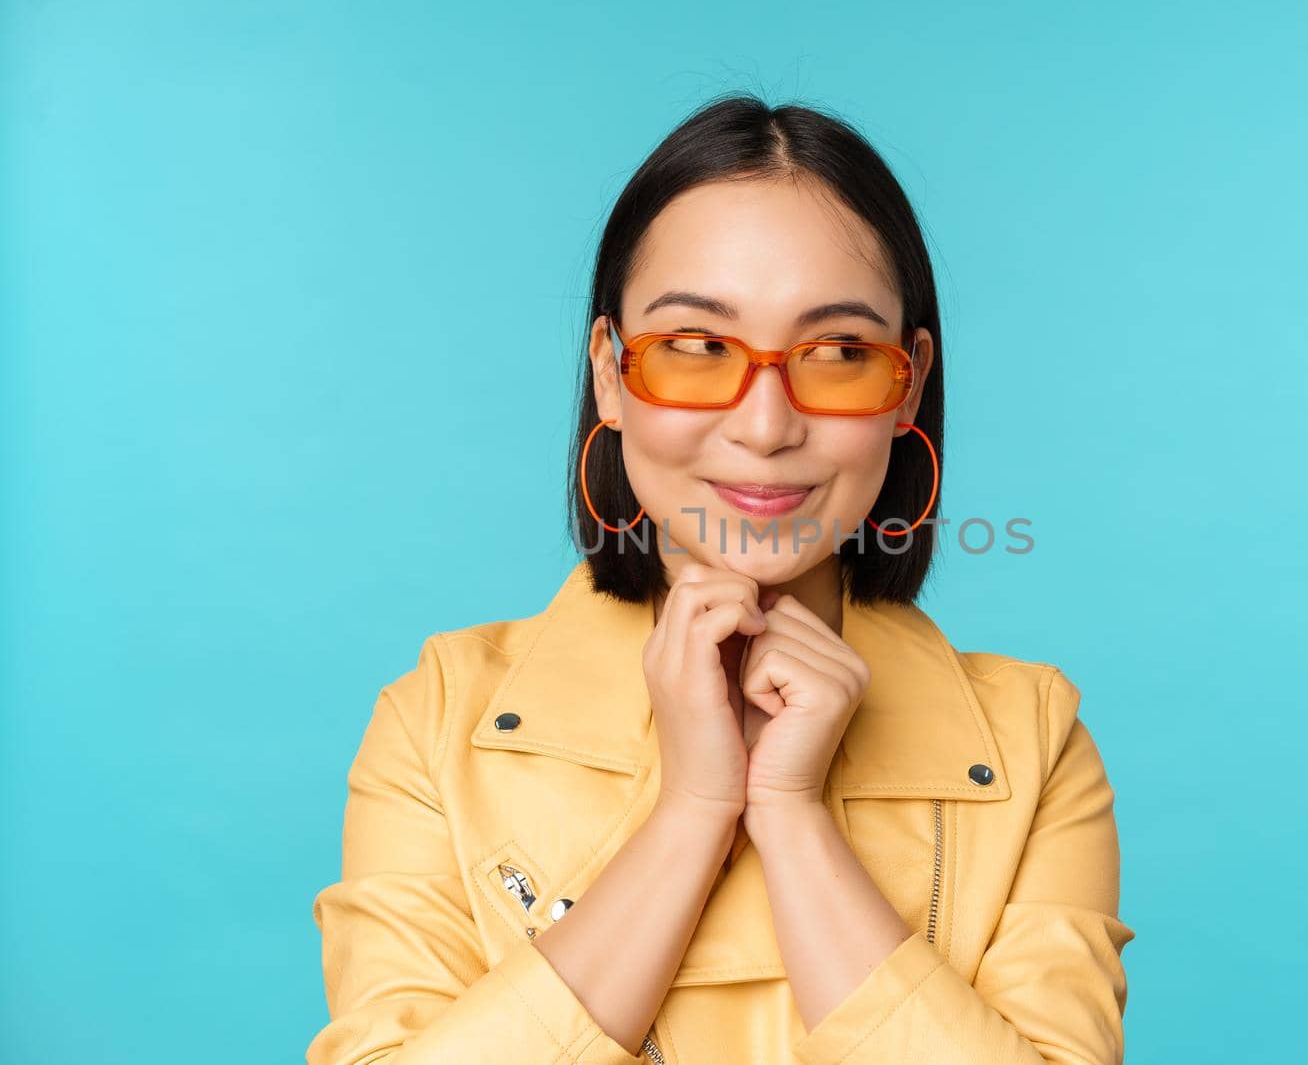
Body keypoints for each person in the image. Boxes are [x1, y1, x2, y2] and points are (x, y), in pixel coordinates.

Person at [307, 93, 1134, 1065]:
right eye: (696, 348)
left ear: (906, 382)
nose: (766, 424)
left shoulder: (1030, 739)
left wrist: (792, 814)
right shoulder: (437, 719)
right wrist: (694, 809)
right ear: (610, 376)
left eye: (836, 353)